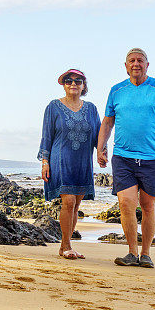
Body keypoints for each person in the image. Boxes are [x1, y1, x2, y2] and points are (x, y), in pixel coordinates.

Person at [96, 48, 155, 268]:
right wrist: (100, 147)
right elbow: (107, 122)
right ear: (125, 66)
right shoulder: (116, 91)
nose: (136, 64)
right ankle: (131, 252)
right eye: (131, 61)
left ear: (147, 65)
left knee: (149, 205)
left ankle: (146, 253)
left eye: (140, 60)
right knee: (125, 203)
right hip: (123, 156)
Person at [38, 69, 101, 259]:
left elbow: (98, 134)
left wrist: (102, 152)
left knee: (76, 205)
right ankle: (66, 245)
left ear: (84, 86)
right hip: (60, 160)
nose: (73, 83)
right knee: (69, 200)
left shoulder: (91, 109)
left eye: (78, 81)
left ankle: (65, 245)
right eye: (68, 81)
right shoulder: (53, 107)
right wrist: (45, 162)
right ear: (63, 85)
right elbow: (46, 135)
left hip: (82, 161)